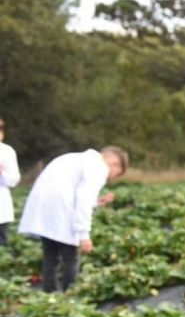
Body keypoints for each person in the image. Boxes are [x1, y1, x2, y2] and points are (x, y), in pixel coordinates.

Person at [18, 146, 128, 292]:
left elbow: (75, 193)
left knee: (50, 256)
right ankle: (70, 295)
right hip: (61, 212)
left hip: (45, 211)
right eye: (116, 174)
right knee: (71, 258)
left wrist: (98, 202)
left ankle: (49, 295)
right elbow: (83, 200)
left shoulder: (74, 158)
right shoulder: (99, 167)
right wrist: (84, 235)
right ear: (115, 163)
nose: (111, 177)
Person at [0, 118, 20, 246]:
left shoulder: (7, 151)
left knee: (2, 247)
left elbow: (13, 180)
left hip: (1, 210)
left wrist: (2, 172)